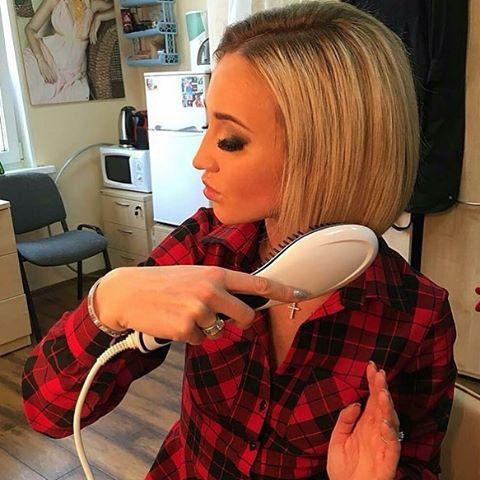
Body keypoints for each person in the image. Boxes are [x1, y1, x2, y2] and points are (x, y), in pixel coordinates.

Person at [21, 2, 457, 479]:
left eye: (229, 140)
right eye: (206, 126)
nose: (200, 158)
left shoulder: (416, 316)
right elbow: (48, 412)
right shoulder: (205, 246)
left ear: (326, 153)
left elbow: (420, 463)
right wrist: (106, 303)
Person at [22, 0, 115, 104]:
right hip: (45, 56)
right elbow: (30, 29)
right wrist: (41, 60)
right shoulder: (54, 1)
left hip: (70, 72)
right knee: (30, 94)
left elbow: (120, 8)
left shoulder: (91, 5)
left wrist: (100, 17)